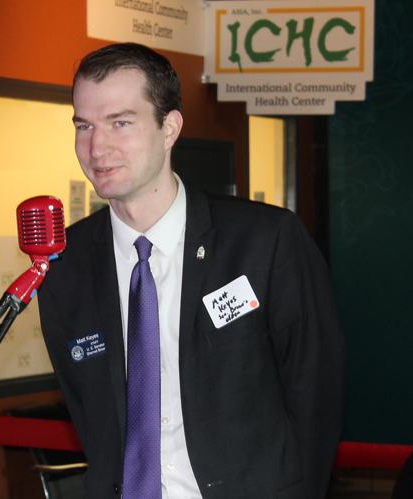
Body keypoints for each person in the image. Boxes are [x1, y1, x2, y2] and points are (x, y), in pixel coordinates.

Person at [38, 42, 345, 499]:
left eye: (120, 122)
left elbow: (314, 393)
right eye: (84, 125)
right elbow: (86, 408)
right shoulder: (65, 262)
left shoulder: (265, 241)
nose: (97, 147)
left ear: (170, 128)